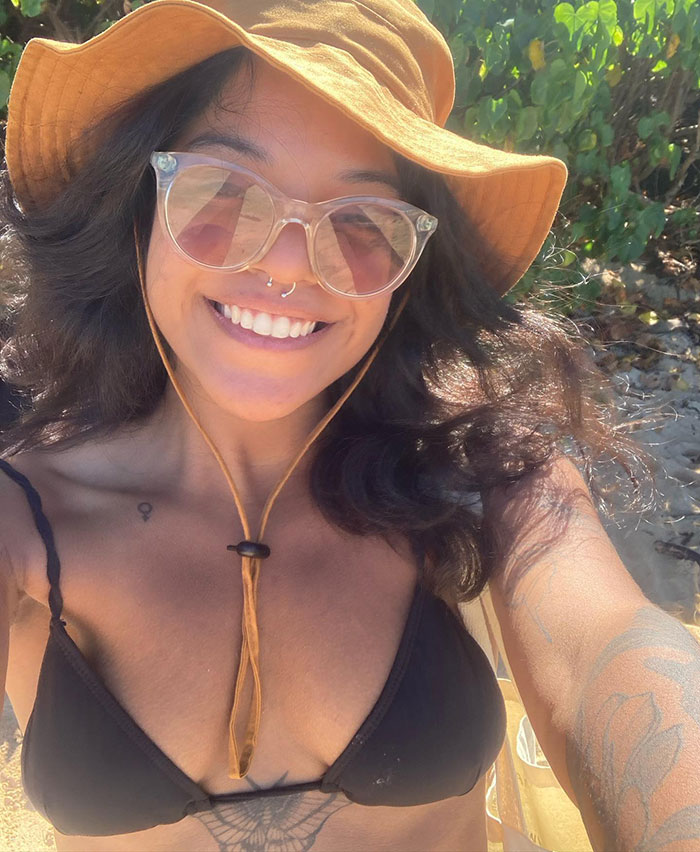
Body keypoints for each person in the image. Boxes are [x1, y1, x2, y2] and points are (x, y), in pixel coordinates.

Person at [1, 0, 699, 850]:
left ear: (410, 272)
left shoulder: (480, 471)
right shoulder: (25, 510)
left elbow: (603, 657)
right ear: (140, 208)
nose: (290, 263)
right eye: (222, 190)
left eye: (364, 222)